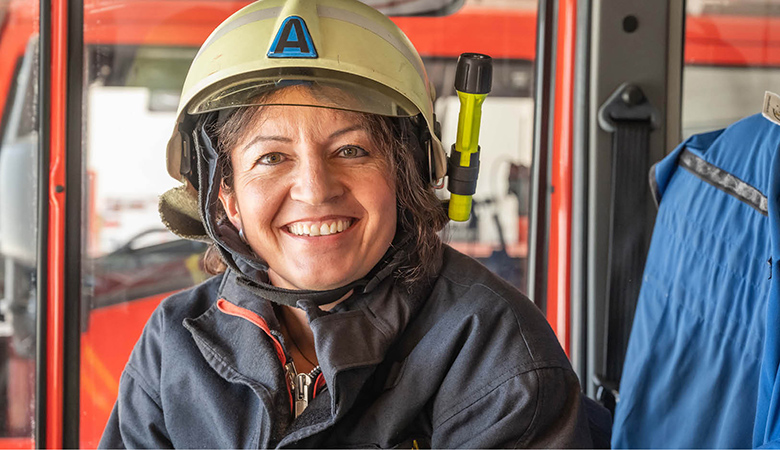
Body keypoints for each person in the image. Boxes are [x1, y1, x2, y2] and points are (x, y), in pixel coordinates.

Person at [99, 0, 599, 447]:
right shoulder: (173, 343)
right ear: (224, 195)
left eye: (352, 150)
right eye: (272, 157)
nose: (316, 189)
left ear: (408, 177)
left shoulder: (492, 354)